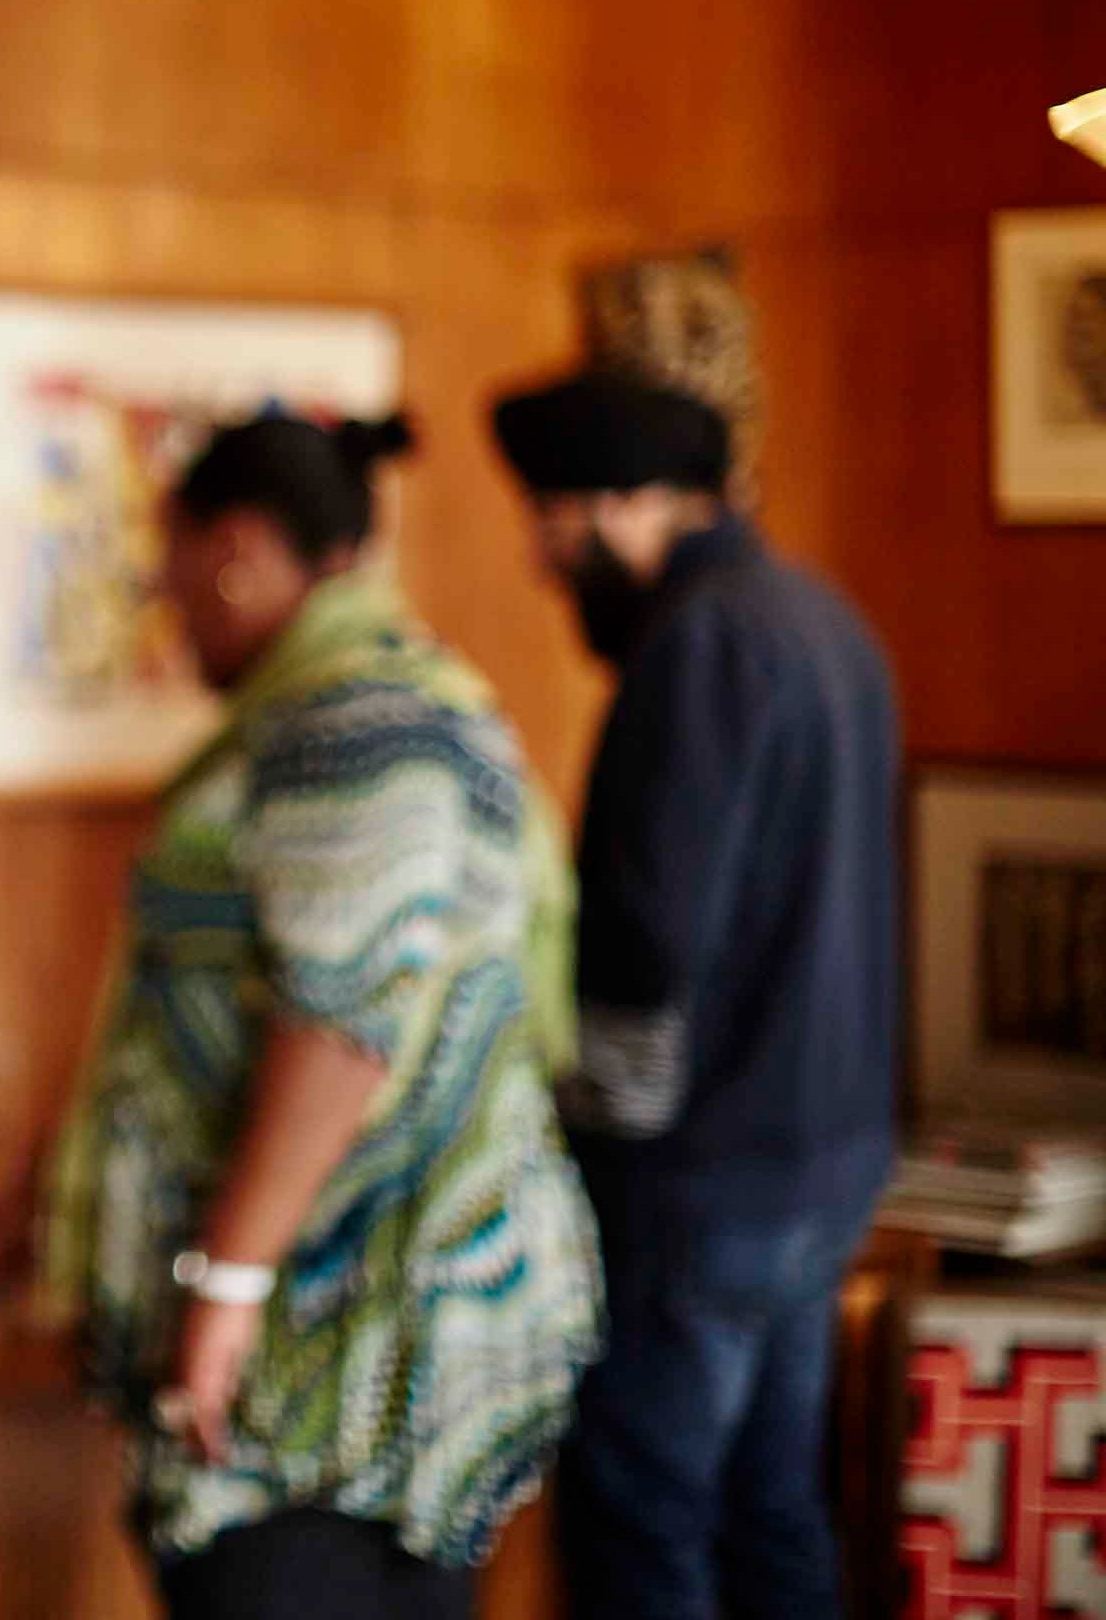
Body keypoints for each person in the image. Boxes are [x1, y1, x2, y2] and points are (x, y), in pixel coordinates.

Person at [31, 413, 602, 1619]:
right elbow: (198, 1023)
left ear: (236, 550)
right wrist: (23, 1207)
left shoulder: (358, 725)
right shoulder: (365, 701)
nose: (166, 601)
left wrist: (227, 1286)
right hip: (351, 1338)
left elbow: (340, 1029)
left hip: (335, 1356)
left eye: (172, 562)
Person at [490, 370, 900, 1620]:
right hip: (824, 1164)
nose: (542, 563)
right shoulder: (821, 617)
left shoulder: (700, 641)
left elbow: (647, 937)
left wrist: (573, 1136)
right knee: (773, 1511)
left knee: (642, 1528)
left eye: (553, 526)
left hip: (704, 1184)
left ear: (625, 505)